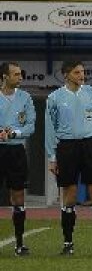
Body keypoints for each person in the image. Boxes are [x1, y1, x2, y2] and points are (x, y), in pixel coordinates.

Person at [45, 61, 92, 257]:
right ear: (66, 75)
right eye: (77, 72)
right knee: (69, 196)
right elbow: (50, 130)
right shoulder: (54, 98)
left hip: (90, 146)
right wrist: (52, 157)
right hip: (66, 147)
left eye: (82, 72)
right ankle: (68, 243)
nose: (81, 75)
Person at [0, 63, 35, 256]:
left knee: (18, 196)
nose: (20, 78)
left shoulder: (26, 98)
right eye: (16, 74)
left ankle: (20, 243)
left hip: (16, 152)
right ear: (4, 77)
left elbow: (31, 126)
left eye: (21, 74)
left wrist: (14, 132)